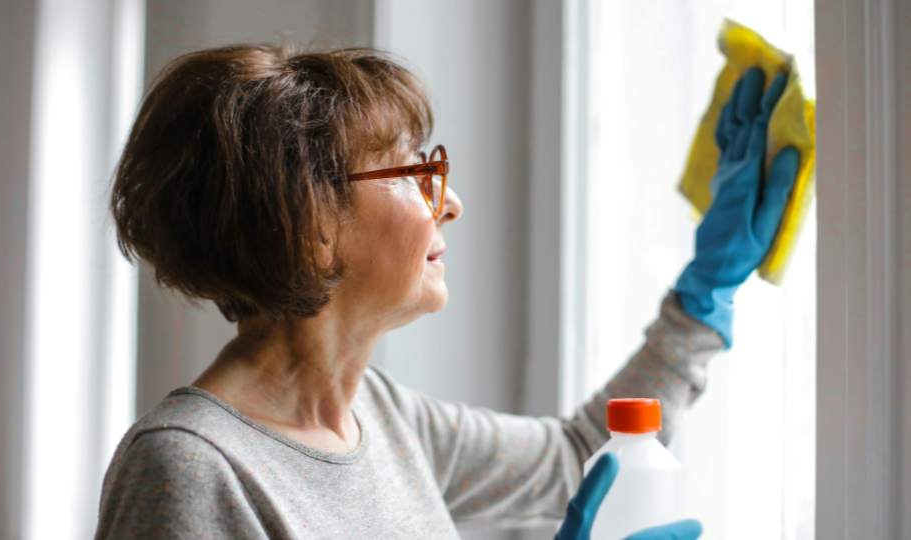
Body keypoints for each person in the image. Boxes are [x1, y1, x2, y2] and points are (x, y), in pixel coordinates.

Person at [94, 43, 797, 539]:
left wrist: (704, 294)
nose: (450, 201)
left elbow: (578, 458)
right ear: (310, 222)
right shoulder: (189, 468)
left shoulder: (384, 419)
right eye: (408, 173)